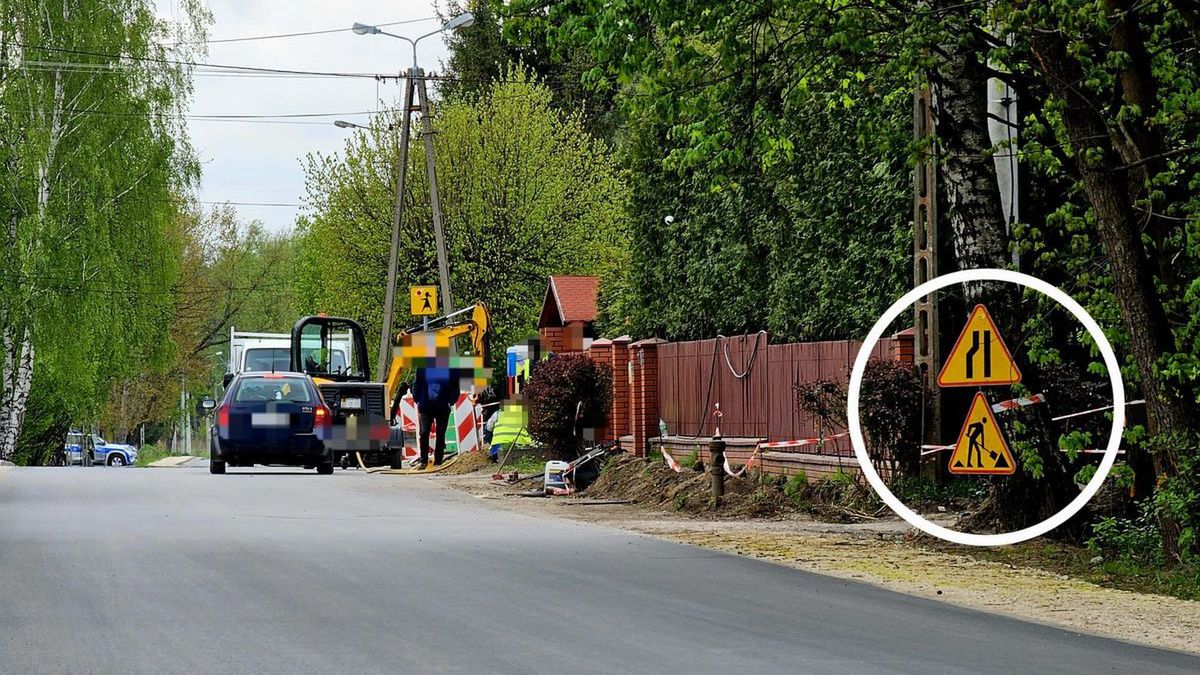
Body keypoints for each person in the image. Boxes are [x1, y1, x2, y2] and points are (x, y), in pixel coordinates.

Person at [412, 363, 459, 470]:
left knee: (441, 433)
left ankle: (438, 460)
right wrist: (417, 399)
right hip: (425, 405)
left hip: (442, 406)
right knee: (423, 433)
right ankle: (423, 460)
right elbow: (417, 383)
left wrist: (449, 402)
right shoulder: (422, 368)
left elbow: (455, 387)